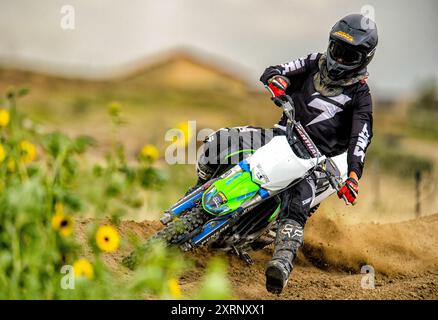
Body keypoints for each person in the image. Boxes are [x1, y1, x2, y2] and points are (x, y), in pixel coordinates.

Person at [196, 13, 378, 294]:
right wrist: (276, 79)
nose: (338, 59)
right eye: (336, 50)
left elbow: (360, 138)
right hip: (281, 136)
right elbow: (275, 70)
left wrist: (353, 175)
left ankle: (281, 262)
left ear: (363, 59)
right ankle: (197, 193)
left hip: (314, 161)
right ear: (330, 44)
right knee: (222, 142)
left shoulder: (360, 96)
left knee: (297, 199)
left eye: (348, 55)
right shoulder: (312, 62)